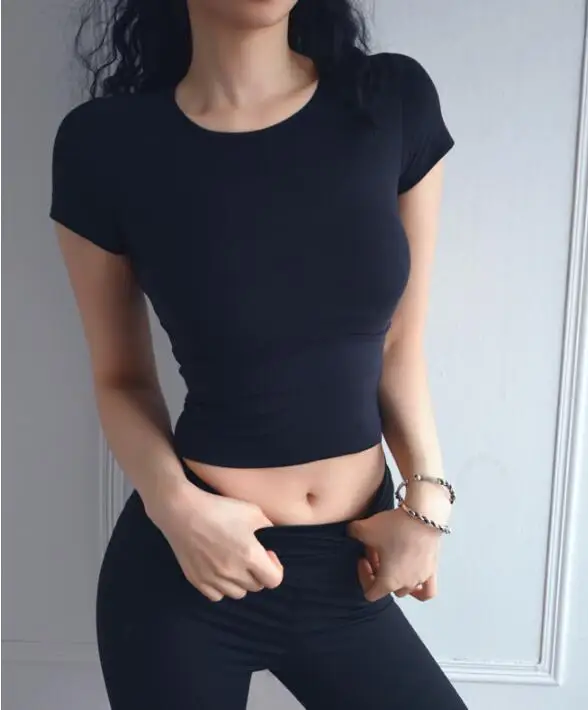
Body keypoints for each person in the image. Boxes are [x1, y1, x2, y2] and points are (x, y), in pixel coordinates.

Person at [49, 0, 468, 708]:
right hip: (190, 564)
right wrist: (176, 508)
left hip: (353, 564)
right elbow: (121, 378)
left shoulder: (388, 102)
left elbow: (400, 344)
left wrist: (426, 502)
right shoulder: (105, 144)